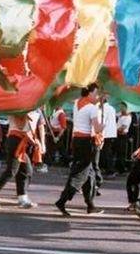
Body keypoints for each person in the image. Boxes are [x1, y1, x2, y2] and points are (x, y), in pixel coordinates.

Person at [55, 84, 104, 217]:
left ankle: (90, 205)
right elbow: (97, 128)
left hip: (77, 140)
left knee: (90, 174)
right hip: (86, 142)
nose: (97, 96)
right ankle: (62, 200)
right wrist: (103, 125)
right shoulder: (92, 108)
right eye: (96, 93)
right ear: (89, 94)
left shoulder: (78, 103)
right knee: (80, 174)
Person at [0, 110, 43, 209]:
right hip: (16, 141)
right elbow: (22, 128)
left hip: (20, 142)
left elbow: (34, 127)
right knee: (11, 171)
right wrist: (35, 142)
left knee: (26, 170)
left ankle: (22, 198)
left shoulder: (30, 109)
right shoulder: (21, 108)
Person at [100, 96, 117, 177]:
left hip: (106, 133)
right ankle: (107, 169)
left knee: (106, 152)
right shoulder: (112, 108)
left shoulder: (104, 109)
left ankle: (110, 170)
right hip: (111, 133)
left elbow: (103, 121)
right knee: (107, 152)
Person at [115, 102, 132, 174]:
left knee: (121, 152)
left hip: (123, 135)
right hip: (118, 135)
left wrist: (115, 129)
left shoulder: (128, 117)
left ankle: (121, 168)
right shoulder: (120, 115)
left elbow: (122, 128)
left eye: (122, 107)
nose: (121, 108)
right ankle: (118, 167)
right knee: (118, 152)